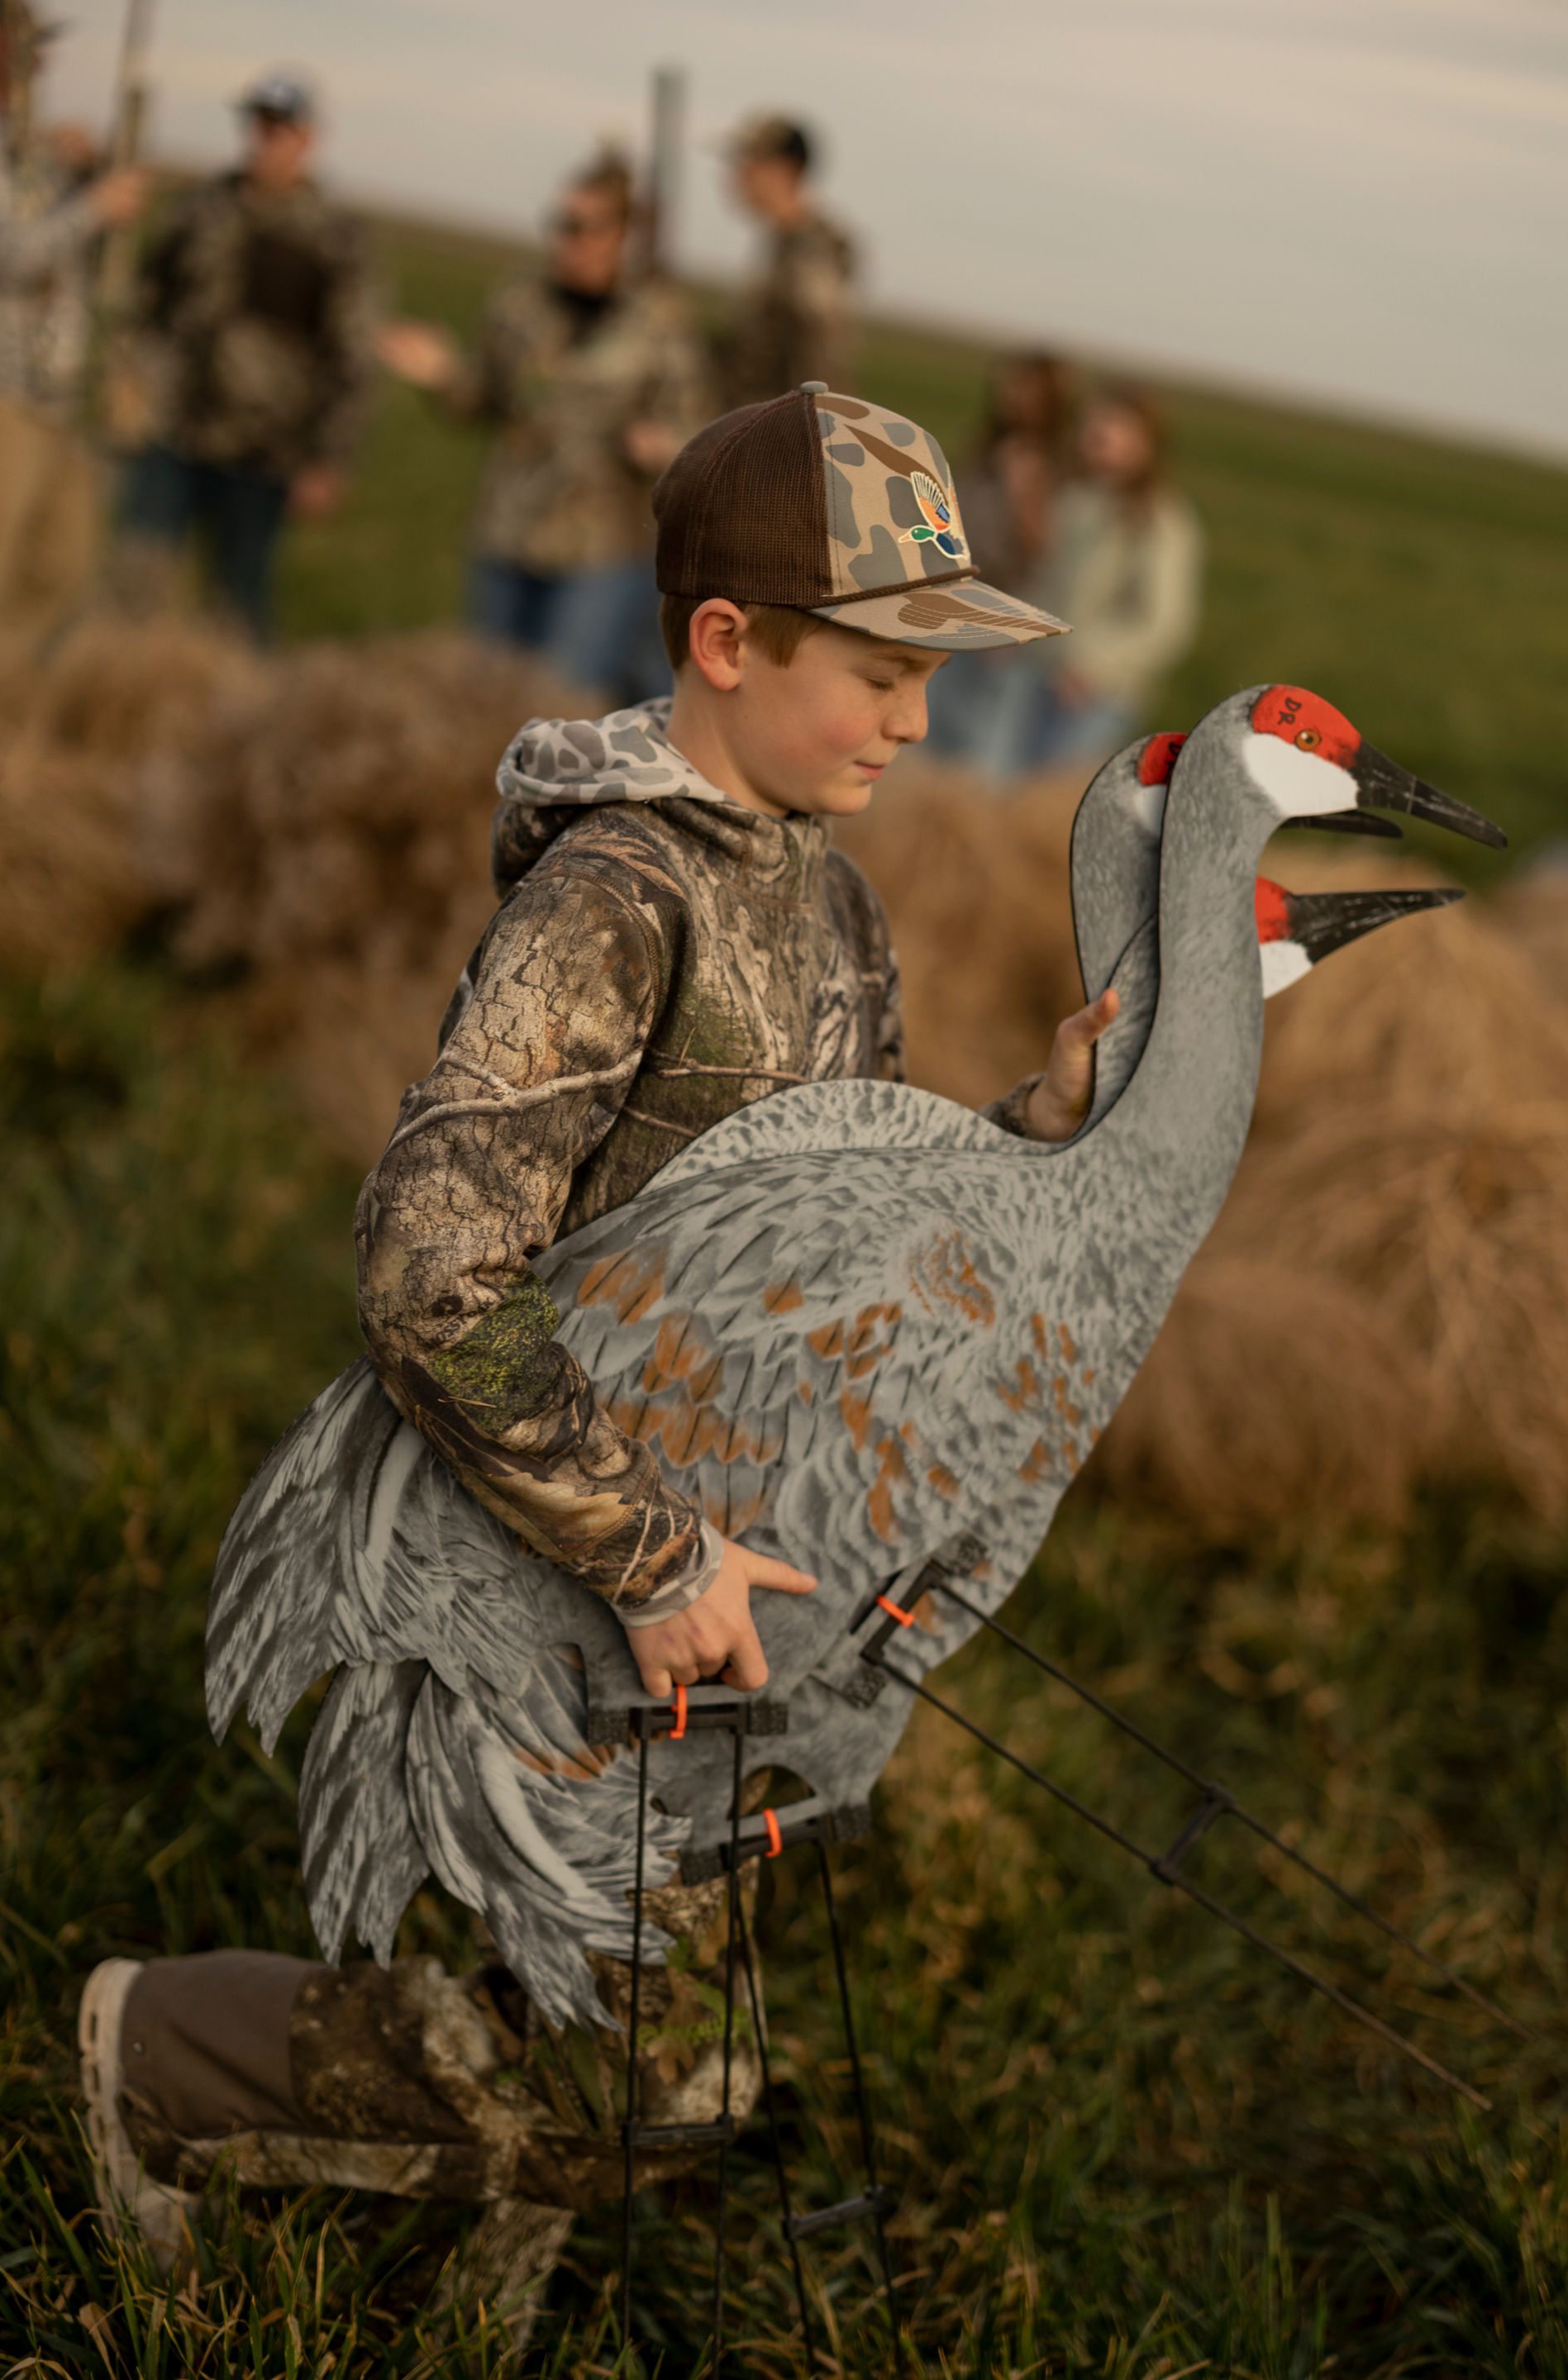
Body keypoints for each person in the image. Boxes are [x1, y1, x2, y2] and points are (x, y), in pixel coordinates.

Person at [77, 384, 1118, 2330]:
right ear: (727, 644)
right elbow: (432, 1271)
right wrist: (643, 1556)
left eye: (931, 672)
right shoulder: (615, 904)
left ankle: (491, 2251)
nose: (918, 716)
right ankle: (167, 2060)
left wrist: (1034, 1124)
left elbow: (829, 1221)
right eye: (883, 667)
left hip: (705, 1569)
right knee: (659, 2065)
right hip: (568, 1559)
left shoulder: (826, 890)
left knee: (659, 2018)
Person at [379, 150, 704, 705]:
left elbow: (692, 428)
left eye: (580, 227)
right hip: (509, 533)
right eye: (559, 224)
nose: (564, 239)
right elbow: (483, 399)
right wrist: (442, 376)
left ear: (619, 235)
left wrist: (659, 444)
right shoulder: (518, 302)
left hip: (598, 549)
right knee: (484, 698)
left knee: (562, 709)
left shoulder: (657, 323)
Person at [112, 72, 374, 643]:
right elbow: (148, 301)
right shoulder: (200, 208)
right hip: (172, 430)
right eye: (257, 125)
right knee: (137, 582)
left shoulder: (335, 236)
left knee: (238, 603)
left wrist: (328, 460)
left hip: (264, 449)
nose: (263, 139)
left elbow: (351, 360)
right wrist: (129, 379)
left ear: (307, 139)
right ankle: (116, 699)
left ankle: (232, 716)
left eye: (279, 129)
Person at [0, 0, 146, 645]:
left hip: (53, 397)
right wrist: (95, 209)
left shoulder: (24, 145)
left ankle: (0, 687)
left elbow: (61, 248)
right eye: (30, 46)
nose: (44, 61)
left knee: (61, 563)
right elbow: (8, 253)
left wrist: (82, 178)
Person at [952, 383, 1203, 781]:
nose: (1100, 433)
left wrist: (1095, 664)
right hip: (1030, 670)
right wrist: (1008, 629)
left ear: (1147, 443)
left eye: (1118, 426)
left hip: (1092, 691)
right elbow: (1039, 578)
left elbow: (1164, 621)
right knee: (991, 778)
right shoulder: (1068, 496)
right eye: (1095, 422)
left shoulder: (1159, 520)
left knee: (1051, 794)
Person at [927, 350, 1079, 762]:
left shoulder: (1047, 463)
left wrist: (1022, 490)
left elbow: (1045, 552)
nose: (1010, 395)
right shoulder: (990, 449)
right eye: (1009, 383)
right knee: (932, 731)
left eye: (1025, 387)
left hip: (1000, 620)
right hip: (954, 603)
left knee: (978, 749)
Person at [715, 114, 855, 407]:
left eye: (749, 164)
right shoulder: (782, 245)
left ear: (785, 171)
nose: (737, 177)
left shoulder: (809, 253)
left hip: (780, 437)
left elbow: (819, 374)